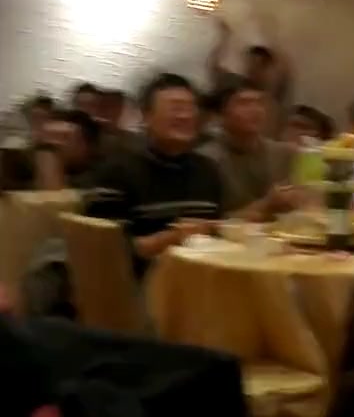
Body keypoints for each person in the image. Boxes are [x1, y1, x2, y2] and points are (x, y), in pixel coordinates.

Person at [88, 73, 223, 278]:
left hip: (205, 277)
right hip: (142, 285)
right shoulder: (117, 171)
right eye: (175, 108)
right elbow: (105, 251)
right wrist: (174, 237)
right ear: (147, 117)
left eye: (190, 108)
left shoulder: (208, 169)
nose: (185, 116)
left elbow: (215, 233)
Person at [199, 77, 299, 222]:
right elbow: (211, 223)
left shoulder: (283, 153)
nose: (255, 110)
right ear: (220, 115)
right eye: (244, 103)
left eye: (259, 103)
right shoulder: (207, 160)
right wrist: (267, 204)